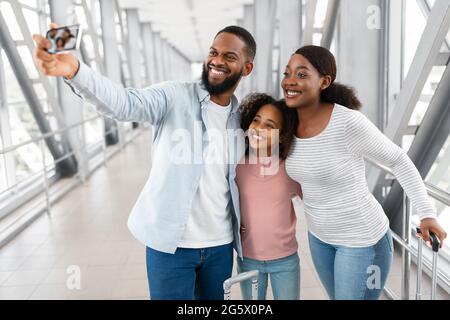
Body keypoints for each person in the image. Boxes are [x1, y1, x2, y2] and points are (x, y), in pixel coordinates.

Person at [33, 23, 256, 300]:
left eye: (229, 57)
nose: (217, 61)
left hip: (221, 246)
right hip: (170, 247)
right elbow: (125, 103)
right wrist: (75, 71)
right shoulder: (174, 95)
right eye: (213, 52)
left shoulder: (243, 119)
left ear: (247, 68)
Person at [281, 45, 447, 300]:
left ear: (324, 81)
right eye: (287, 73)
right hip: (319, 237)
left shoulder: (347, 123)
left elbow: (398, 159)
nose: (290, 81)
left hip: (362, 240)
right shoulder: (287, 122)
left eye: (302, 74)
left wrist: (426, 213)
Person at [236, 93, 302, 300]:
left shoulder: (290, 169)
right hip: (248, 259)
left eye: (270, 125)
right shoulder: (236, 167)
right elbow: (224, 202)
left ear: (282, 136)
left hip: (285, 259)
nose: (259, 128)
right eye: (256, 120)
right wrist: (234, 222)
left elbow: (315, 199)